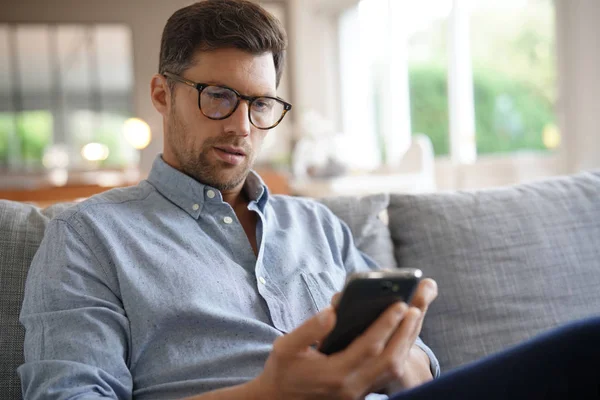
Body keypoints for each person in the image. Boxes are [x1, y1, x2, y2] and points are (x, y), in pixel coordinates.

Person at [18, 1, 600, 399]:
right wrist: (267, 394)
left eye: (261, 104)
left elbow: (424, 365)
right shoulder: (88, 235)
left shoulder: (317, 224)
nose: (243, 126)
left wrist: (402, 361)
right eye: (218, 97)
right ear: (161, 95)